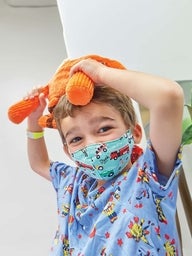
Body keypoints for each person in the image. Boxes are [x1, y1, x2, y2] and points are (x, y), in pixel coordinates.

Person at [27, 58, 184, 255]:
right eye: (76, 139)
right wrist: (33, 124)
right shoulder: (73, 183)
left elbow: (168, 97)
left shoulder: (148, 177)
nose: (92, 144)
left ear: (135, 132)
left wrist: (102, 74)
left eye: (104, 128)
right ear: (68, 151)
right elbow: (38, 163)